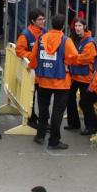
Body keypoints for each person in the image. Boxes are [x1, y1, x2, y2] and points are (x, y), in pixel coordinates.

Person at [27, 14, 79, 149]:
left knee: (43, 109)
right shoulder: (66, 40)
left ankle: (40, 136)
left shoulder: (42, 39)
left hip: (43, 80)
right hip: (62, 82)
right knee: (57, 112)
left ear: (51, 24)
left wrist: (32, 67)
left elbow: (33, 58)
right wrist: (66, 63)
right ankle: (54, 141)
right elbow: (74, 57)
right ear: (63, 26)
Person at [65, 18, 97, 135]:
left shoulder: (89, 42)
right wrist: (73, 58)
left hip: (86, 77)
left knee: (85, 102)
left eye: (79, 26)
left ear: (84, 26)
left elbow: (85, 59)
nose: (77, 28)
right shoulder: (74, 39)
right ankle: (73, 123)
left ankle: (91, 126)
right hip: (75, 75)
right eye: (76, 26)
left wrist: (72, 59)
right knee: (69, 98)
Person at [14, 9, 46, 126]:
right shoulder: (25, 35)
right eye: (40, 19)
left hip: (43, 72)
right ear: (33, 21)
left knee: (43, 100)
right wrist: (33, 56)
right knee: (30, 98)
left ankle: (42, 121)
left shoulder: (46, 32)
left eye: (43, 19)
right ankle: (31, 119)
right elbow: (19, 51)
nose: (43, 21)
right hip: (31, 72)